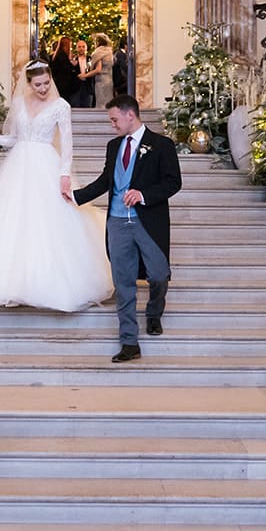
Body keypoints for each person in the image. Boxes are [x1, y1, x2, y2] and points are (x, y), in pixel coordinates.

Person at [0, 61, 112, 311]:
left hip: (46, 166)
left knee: (49, 222)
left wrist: (64, 175)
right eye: (37, 84)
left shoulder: (61, 106)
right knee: (10, 220)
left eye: (47, 83)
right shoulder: (19, 105)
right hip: (18, 165)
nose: (43, 88)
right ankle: (5, 281)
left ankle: (47, 282)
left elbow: (68, 144)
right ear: (28, 84)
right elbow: (14, 139)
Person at [72, 94, 182, 362]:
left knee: (158, 274)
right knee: (124, 283)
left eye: (114, 119)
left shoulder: (161, 145)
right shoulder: (113, 146)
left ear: (130, 115)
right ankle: (129, 342)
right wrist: (74, 197)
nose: (112, 125)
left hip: (148, 223)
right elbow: (104, 182)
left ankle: (154, 312)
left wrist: (143, 194)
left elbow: (173, 183)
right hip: (118, 223)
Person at [50, 37, 79, 103]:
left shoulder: (57, 55)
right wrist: (73, 65)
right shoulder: (62, 55)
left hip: (59, 84)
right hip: (63, 85)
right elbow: (67, 69)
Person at [90, 33, 115, 107]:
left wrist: (85, 75)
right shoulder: (109, 52)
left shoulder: (99, 52)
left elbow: (98, 69)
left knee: (101, 104)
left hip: (101, 81)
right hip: (109, 80)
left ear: (97, 42)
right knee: (108, 103)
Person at [73, 40, 97, 108]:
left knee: (87, 108)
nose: (81, 48)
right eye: (79, 47)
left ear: (86, 48)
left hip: (88, 87)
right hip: (76, 88)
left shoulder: (90, 59)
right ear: (76, 48)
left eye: (83, 47)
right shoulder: (74, 59)